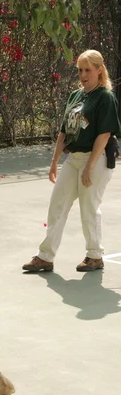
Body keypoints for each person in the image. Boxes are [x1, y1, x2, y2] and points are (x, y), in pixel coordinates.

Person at [23, 49, 121, 273]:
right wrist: (55, 161)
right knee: (58, 204)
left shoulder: (105, 97)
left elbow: (104, 134)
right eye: (80, 70)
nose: (83, 74)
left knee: (89, 207)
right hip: (73, 159)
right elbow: (64, 131)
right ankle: (45, 257)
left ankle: (94, 256)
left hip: (96, 159)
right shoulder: (75, 96)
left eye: (88, 70)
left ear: (99, 70)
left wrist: (90, 166)